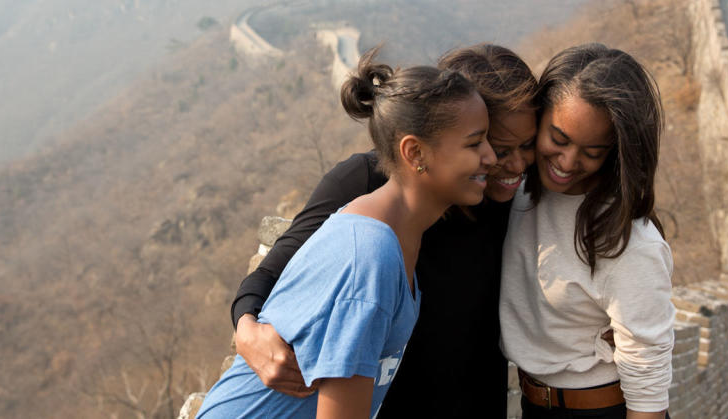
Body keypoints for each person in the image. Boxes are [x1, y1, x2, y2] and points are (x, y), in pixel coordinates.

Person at [230, 44, 539, 418]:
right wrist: (248, 332)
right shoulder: (368, 197)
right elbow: (274, 274)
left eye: (528, 145)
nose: (513, 164)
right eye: (491, 145)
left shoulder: (515, 201)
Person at [500, 43, 674, 419]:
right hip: (532, 403)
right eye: (558, 139)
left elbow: (647, 380)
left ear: (616, 151)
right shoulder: (514, 192)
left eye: (592, 151)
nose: (567, 162)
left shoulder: (627, 239)